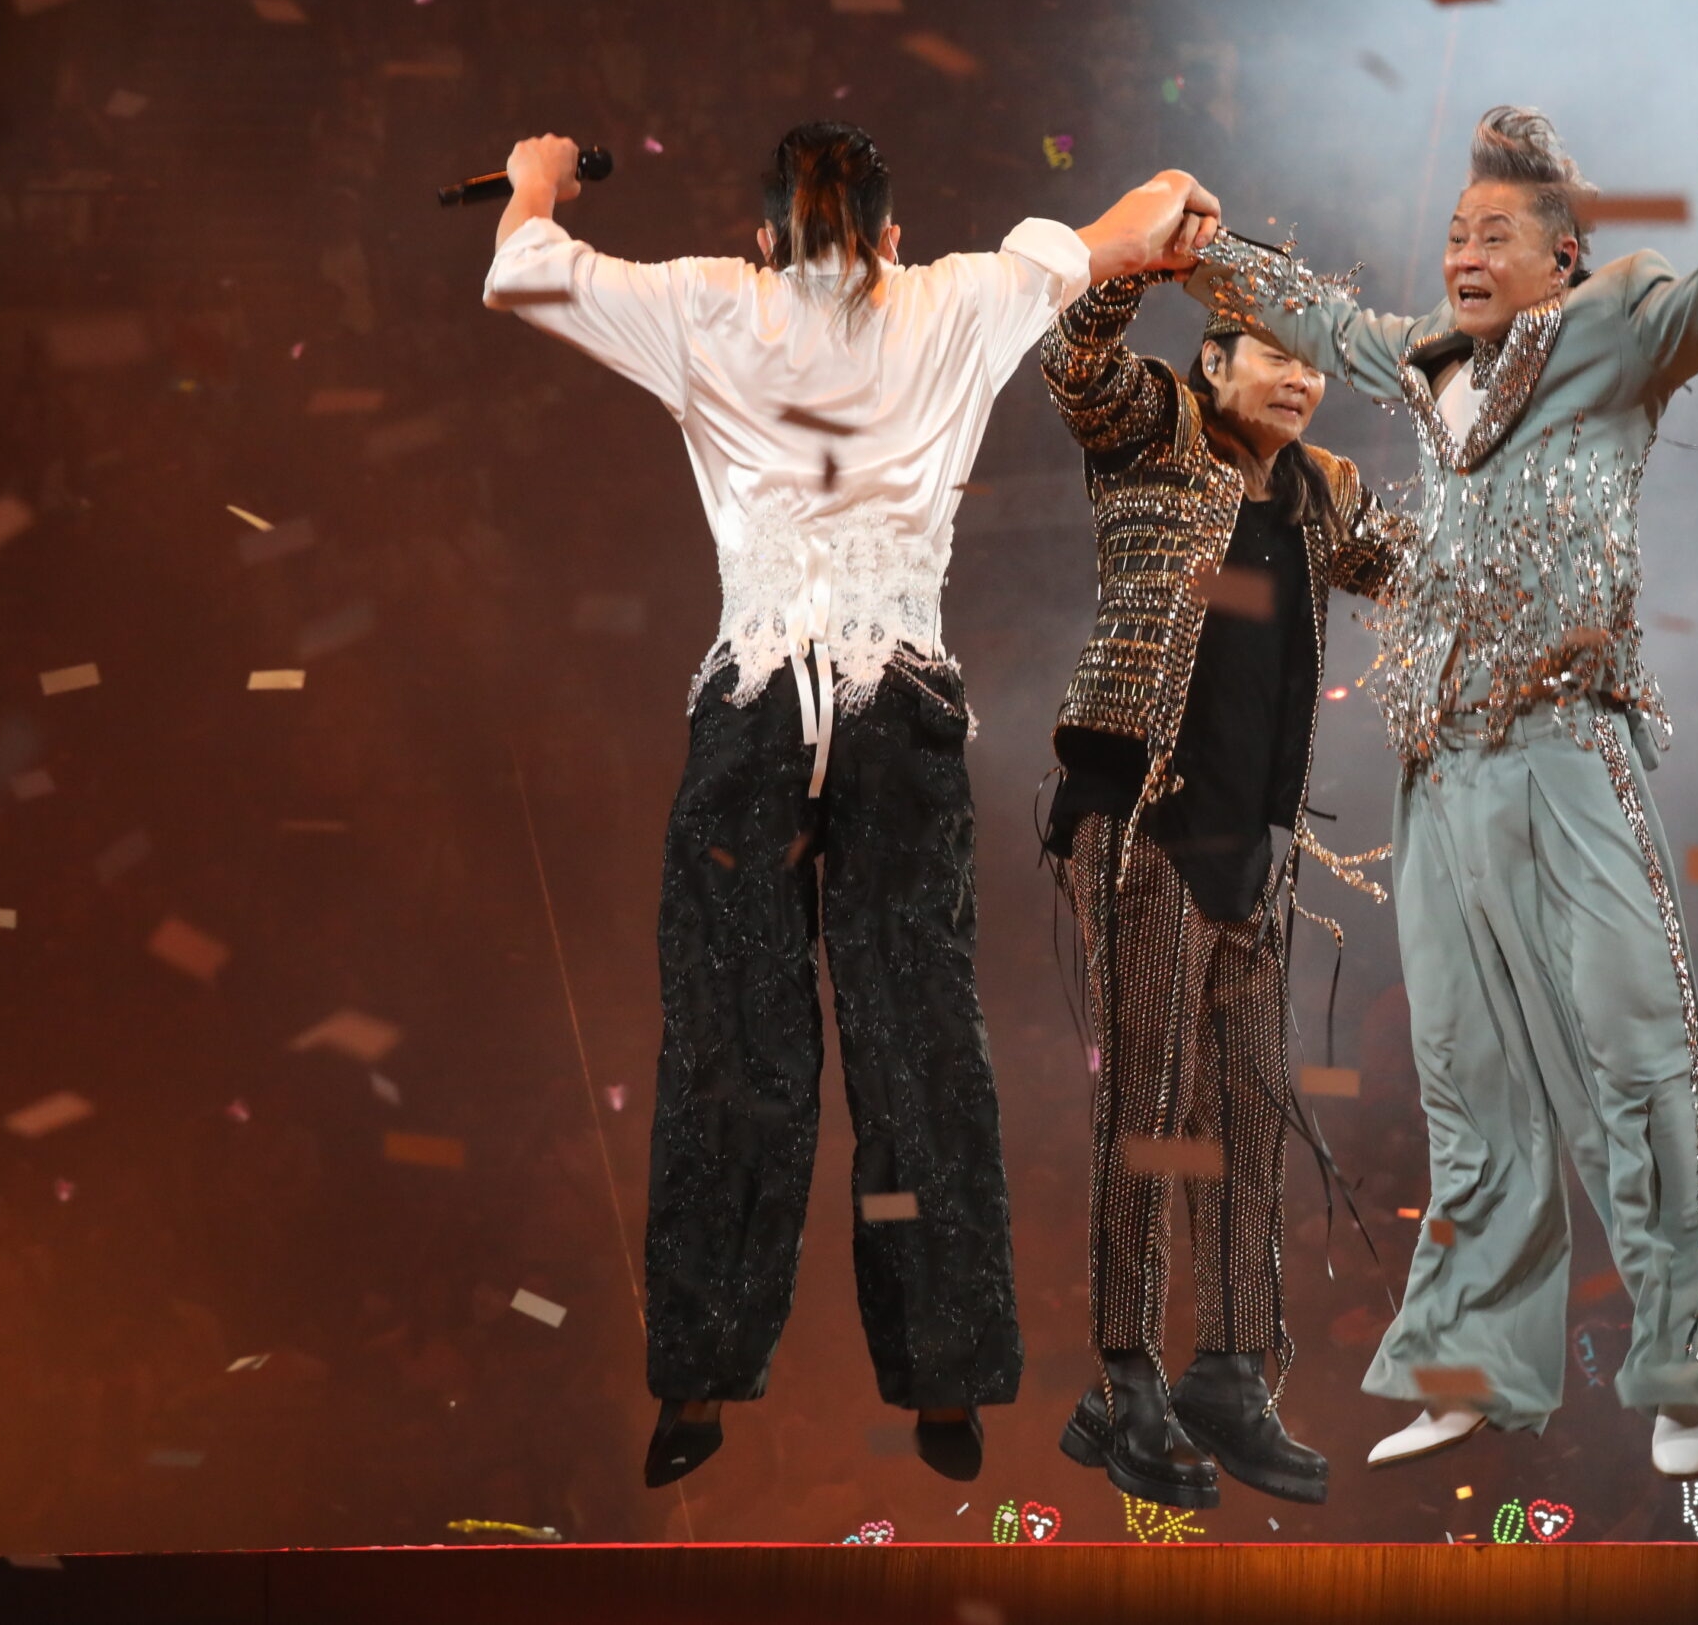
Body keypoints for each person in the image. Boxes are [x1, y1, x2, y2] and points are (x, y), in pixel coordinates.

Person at [482, 121, 1221, 1489]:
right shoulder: (959, 295)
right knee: (919, 1040)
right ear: (888, 233)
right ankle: (947, 1383)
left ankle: (699, 1382)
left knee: (731, 1043)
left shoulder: (711, 298)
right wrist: (1179, 210)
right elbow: (1143, 210)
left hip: (754, 716)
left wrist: (540, 174)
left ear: (766, 233)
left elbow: (522, 271)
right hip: (900, 721)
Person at [1183, 44, 1698, 1478]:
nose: (1463, 255)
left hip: (1564, 746)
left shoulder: (1620, 325)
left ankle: (1679, 1373)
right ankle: (1474, 1366)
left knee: (1635, 1057)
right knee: (1467, 1077)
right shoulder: (1430, 358)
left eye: (1493, 236)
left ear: (1561, 255)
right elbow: (1327, 319)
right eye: (1454, 233)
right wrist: (1203, 250)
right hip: (1442, 770)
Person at [1036, 273, 1404, 1508]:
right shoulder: (1157, 432)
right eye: (1278, 355)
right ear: (1214, 359)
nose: (1303, 380)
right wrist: (1137, 262)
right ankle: (1126, 1375)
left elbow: (1419, 572)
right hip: (1145, 812)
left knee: (1249, 1113)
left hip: (1254, 837)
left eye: (1317, 363)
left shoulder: (1318, 491)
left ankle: (1230, 1371)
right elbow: (1074, 364)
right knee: (1149, 1107)